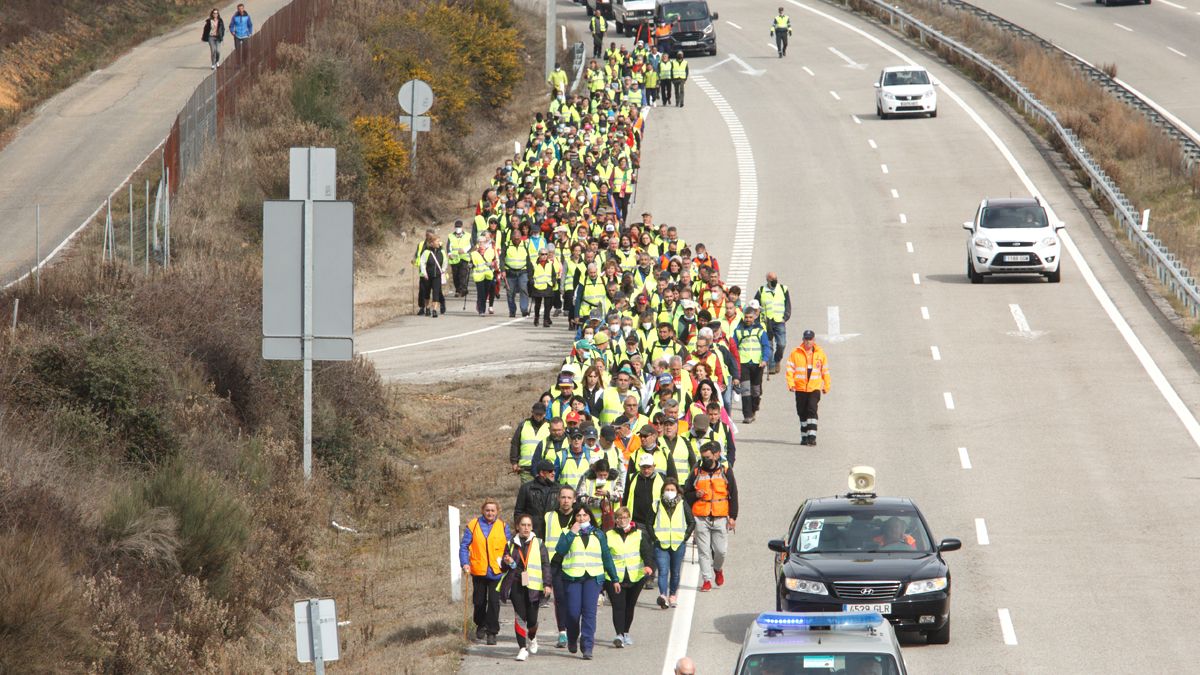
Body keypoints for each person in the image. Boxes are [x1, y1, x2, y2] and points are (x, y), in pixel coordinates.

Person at [554, 505, 620, 660]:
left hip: (593, 578)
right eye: (578, 515)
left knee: (590, 613)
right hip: (572, 578)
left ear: (590, 517)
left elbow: (606, 557)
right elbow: (561, 550)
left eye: (584, 515)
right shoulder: (567, 532)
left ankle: (587, 646)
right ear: (574, 518)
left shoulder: (598, 534)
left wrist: (614, 578)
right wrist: (572, 533)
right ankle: (572, 638)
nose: (582, 518)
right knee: (572, 613)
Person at [684, 441, 737, 592]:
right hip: (701, 516)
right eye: (703, 457)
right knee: (703, 550)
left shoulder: (726, 471)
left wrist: (732, 517)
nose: (705, 460)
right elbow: (686, 494)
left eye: (707, 457)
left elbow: (733, 493)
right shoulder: (696, 471)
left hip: (720, 516)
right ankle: (706, 579)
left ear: (716, 455)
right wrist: (696, 494)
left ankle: (718, 569)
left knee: (721, 551)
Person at [459, 500, 511, 644]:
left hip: (497, 571)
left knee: (494, 602)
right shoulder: (473, 525)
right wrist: (465, 563)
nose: (490, 513)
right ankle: (480, 624)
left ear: (497, 512)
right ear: (483, 511)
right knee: (479, 601)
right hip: (478, 570)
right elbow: (464, 546)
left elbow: (509, 547)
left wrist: (508, 559)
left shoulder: (503, 526)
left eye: (493, 510)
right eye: (487, 510)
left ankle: (492, 632)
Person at [500, 513, 549, 661]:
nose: (526, 528)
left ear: (532, 527)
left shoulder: (539, 543)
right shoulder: (510, 544)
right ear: (517, 527)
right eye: (523, 525)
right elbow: (503, 567)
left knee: (532, 619)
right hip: (516, 584)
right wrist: (506, 561)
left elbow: (546, 565)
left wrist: (547, 584)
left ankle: (532, 637)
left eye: (528, 525)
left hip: (533, 585)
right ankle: (522, 648)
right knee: (520, 616)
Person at [605, 506, 655, 648]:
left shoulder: (639, 534)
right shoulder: (609, 535)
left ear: (630, 518)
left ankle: (626, 632)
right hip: (615, 578)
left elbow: (646, 551)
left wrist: (648, 565)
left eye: (625, 517)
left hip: (635, 577)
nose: (622, 520)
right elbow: (605, 556)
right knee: (618, 606)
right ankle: (619, 635)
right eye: (619, 518)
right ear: (615, 520)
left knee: (629, 606)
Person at [650, 477, 693, 608]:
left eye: (672, 489)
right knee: (663, 570)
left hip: (677, 543)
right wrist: (654, 537)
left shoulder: (682, 504)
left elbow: (691, 522)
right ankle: (663, 595)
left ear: (677, 491)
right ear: (663, 491)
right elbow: (649, 522)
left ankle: (672, 595)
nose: (669, 491)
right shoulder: (656, 504)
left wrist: (684, 537)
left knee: (675, 572)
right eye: (667, 489)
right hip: (661, 543)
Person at [785, 329, 830, 446]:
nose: (808, 342)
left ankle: (812, 436)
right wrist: (791, 384)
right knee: (802, 412)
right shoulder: (795, 353)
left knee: (812, 410)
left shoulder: (820, 354)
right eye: (806, 339)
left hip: (814, 388)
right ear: (803, 340)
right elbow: (790, 369)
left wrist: (826, 385)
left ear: (814, 340)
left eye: (810, 340)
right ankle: (804, 436)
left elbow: (825, 371)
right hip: (800, 388)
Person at [544, 486, 577, 644]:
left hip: (575, 564)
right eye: (563, 497)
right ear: (558, 498)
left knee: (574, 600)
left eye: (569, 498)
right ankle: (562, 631)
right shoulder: (548, 517)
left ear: (574, 500)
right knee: (560, 599)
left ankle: (574, 629)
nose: (565, 501)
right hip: (554, 564)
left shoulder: (580, 517)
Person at [733, 301, 772, 423]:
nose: (748, 319)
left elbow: (766, 346)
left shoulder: (760, 331)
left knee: (756, 390)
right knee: (745, 390)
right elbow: (733, 348)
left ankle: (754, 408)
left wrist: (765, 359)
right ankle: (747, 415)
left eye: (750, 317)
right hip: (743, 363)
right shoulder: (738, 331)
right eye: (746, 317)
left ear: (754, 317)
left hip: (757, 364)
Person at [754, 273, 791, 374]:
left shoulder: (783, 289)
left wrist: (786, 316)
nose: (774, 281)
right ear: (767, 280)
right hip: (767, 322)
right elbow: (755, 306)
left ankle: (777, 359)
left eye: (775, 279)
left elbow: (787, 304)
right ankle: (771, 365)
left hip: (780, 321)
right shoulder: (761, 290)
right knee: (768, 345)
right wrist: (758, 321)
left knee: (782, 344)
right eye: (772, 279)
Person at [514, 460, 560, 537]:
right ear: (542, 473)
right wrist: (522, 530)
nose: (554, 473)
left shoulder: (559, 489)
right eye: (550, 471)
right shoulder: (526, 488)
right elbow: (519, 512)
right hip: (533, 533)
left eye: (554, 470)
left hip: (553, 533)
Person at [510, 402, 550, 480]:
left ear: (545, 414)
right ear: (532, 413)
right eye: (536, 414)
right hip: (525, 469)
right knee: (527, 491)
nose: (538, 416)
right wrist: (514, 462)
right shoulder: (523, 425)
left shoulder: (549, 426)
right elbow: (515, 444)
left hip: (544, 469)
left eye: (540, 414)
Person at [623, 453, 664, 527]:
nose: (646, 470)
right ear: (639, 466)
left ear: (654, 466)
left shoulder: (662, 478)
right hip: (635, 522)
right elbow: (625, 497)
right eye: (643, 467)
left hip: (655, 522)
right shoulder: (632, 477)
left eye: (649, 467)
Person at [417, 236, 447, 317]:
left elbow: (445, 262)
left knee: (436, 293)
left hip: (437, 276)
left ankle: (434, 310)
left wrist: (443, 270)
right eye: (437, 241)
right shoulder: (426, 252)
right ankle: (427, 308)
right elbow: (422, 263)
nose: (438, 243)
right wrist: (424, 273)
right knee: (427, 293)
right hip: (427, 276)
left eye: (438, 241)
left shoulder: (442, 252)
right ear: (432, 243)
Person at [530, 246, 560, 327]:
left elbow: (553, 275)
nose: (544, 256)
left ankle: (546, 320)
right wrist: (532, 283)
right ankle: (536, 317)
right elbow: (530, 275)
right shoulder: (534, 264)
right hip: (538, 287)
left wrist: (553, 282)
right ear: (539, 255)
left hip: (548, 286)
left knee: (548, 305)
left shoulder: (550, 264)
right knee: (538, 304)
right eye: (542, 254)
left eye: (546, 254)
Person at [471, 237, 498, 315]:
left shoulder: (491, 251)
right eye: (479, 242)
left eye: (482, 242)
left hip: (488, 275)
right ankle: (481, 310)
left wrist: (492, 264)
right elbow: (472, 263)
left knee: (486, 292)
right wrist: (470, 265)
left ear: (486, 243)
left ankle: (484, 307)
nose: (481, 244)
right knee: (481, 293)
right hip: (478, 276)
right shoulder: (474, 253)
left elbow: (495, 261)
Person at [447, 220, 472, 297]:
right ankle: (457, 289)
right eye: (457, 227)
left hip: (464, 257)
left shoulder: (468, 235)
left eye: (459, 226)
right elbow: (448, 246)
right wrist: (449, 254)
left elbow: (471, 245)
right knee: (455, 276)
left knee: (463, 274)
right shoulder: (450, 236)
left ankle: (463, 289)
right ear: (455, 227)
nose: (458, 228)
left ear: (462, 227)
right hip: (454, 258)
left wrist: (464, 250)